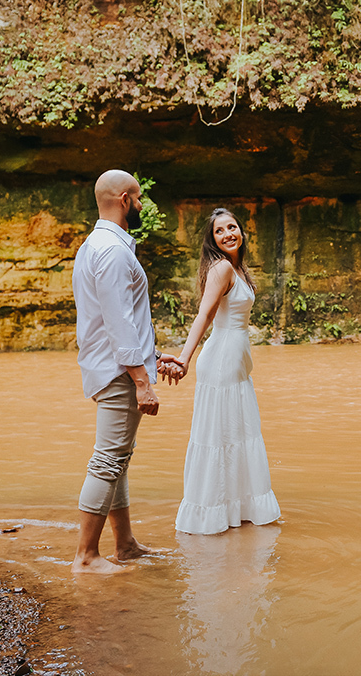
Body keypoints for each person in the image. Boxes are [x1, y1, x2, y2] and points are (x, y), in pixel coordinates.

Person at [70, 169, 183, 573]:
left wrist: (152, 359)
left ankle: (126, 545)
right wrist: (141, 380)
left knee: (118, 458)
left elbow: (112, 320)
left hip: (114, 366)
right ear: (123, 200)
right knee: (107, 459)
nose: (141, 205)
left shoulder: (93, 246)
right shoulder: (114, 251)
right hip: (120, 373)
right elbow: (118, 322)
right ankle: (86, 557)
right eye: (138, 198)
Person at [165, 208, 281, 535]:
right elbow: (204, 315)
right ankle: (209, 514)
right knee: (218, 437)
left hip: (236, 361)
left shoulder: (237, 269)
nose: (228, 233)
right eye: (220, 230)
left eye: (232, 227)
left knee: (237, 434)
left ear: (241, 231)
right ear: (211, 239)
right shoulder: (221, 268)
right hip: (221, 361)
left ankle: (237, 508)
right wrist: (184, 359)